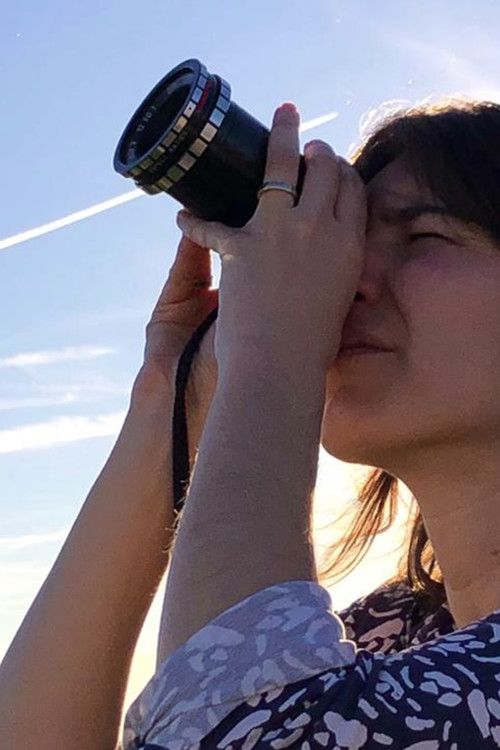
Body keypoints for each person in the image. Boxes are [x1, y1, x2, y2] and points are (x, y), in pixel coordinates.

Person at [2, 97, 500, 749]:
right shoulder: (394, 632)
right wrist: (174, 401)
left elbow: (244, 732)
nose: (347, 281)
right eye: (351, 241)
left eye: (423, 236)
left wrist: (272, 347)